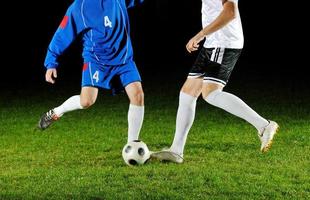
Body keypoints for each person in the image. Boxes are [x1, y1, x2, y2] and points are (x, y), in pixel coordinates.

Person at [153, 0, 279, 163]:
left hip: (224, 42)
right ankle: (176, 151)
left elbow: (230, 12)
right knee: (187, 93)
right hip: (213, 42)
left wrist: (199, 35)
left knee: (210, 93)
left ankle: (264, 125)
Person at [38, 0, 145, 143]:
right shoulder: (79, 6)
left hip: (123, 58)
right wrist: (51, 62)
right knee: (86, 101)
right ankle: (56, 112)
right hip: (96, 60)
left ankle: (132, 145)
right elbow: (62, 34)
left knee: (138, 95)